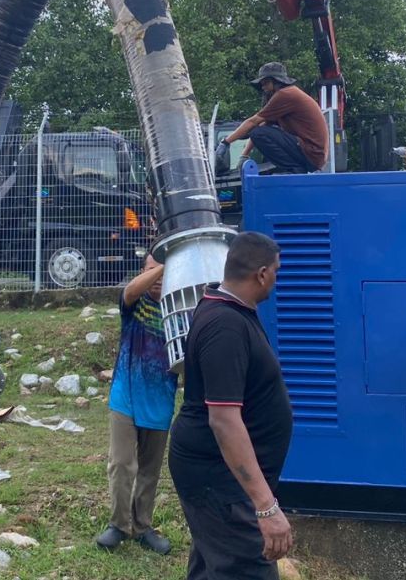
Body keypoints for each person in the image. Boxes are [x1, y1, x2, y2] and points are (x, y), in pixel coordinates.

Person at [168, 231, 293, 579]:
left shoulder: (230, 311)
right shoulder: (225, 325)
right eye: (277, 272)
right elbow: (223, 421)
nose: (276, 280)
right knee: (247, 568)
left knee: (213, 568)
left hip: (219, 479)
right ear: (262, 274)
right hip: (217, 480)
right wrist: (266, 508)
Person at [96, 253, 177, 555]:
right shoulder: (133, 304)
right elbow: (130, 290)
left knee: (149, 469)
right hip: (125, 395)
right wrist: (164, 267)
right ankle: (118, 525)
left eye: (162, 273)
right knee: (121, 463)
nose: (156, 279)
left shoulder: (177, 311)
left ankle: (142, 526)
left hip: (160, 399)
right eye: (150, 270)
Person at [215, 62, 327, 175]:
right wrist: (245, 155)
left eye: (265, 83)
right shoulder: (286, 98)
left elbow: (253, 122)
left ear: (277, 81)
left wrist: (225, 142)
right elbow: (261, 125)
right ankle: (293, 168)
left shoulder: (285, 94)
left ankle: (293, 169)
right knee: (259, 131)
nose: (263, 88)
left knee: (258, 133)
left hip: (311, 152)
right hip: (312, 154)